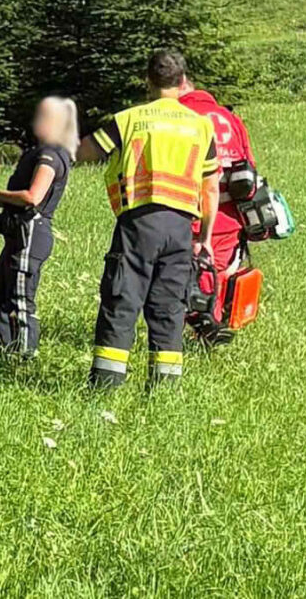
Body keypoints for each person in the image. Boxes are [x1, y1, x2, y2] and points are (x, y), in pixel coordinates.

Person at [77, 50, 221, 387]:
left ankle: (105, 387)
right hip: (181, 229)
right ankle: (165, 391)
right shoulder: (202, 126)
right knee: (170, 308)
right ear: (183, 82)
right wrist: (205, 239)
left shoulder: (128, 119)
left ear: (148, 81)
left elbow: (85, 152)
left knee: (122, 300)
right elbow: (210, 188)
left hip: (138, 225)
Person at [0, 97, 78, 358]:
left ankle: (24, 358)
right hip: (19, 234)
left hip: (31, 233)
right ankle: (4, 353)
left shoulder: (50, 156)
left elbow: (33, 196)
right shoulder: (42, 151)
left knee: (20, 301)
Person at [177, 73, 256, 277]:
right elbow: (250, 173)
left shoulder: (178, 118)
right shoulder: (231, 118)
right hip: (229, 223)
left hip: (187, 224)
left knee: (187, 295)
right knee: (219, 288)